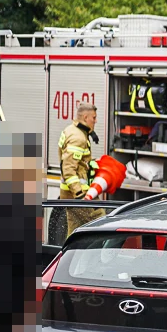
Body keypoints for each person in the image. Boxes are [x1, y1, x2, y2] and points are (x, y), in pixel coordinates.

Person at [57, 101, 102, 237]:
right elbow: (68, 168)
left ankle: (70, 257)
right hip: (77, 194)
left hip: (68, 194)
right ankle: (102, 257)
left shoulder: (72, 130)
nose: (96, 121)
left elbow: (78, 162)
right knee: (101, 221)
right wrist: (79, 194)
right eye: (93, 118)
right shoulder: (78, 138)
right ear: (85, 118)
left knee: (74, 232)